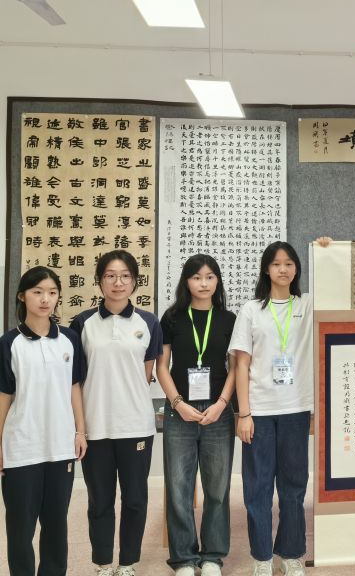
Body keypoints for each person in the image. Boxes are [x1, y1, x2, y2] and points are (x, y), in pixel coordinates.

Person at [70, 250, 163, 576]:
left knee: (135, 499)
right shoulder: (82, 323)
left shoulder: (149, 322)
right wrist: (80, 428)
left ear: (135, 281)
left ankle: (127, 563)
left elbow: (147, 372)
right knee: (100, 501)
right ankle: (103, 563)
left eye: (125, 276)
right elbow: (76, 381)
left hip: (136, 425)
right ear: (100, 281)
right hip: (96, 427)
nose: (118, 282)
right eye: (110, 275)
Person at [229, 241, 314, 576]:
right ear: (266, 269)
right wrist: (244, 413)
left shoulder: (308, 305)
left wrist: (326, 249)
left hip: (296, 408)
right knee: (258, 488)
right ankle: (262, 557)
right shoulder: (251, 310)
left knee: (294, 487)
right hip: (259, 411)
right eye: (277, 264)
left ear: (297, 269)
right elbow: (241, 364)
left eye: (289, 263)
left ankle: (291, 555)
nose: (283, 269)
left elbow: (343, 291)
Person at [0, 266, 87, 576]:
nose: (45, 299)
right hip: (21, 448)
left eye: (52, 292)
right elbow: (4, 397)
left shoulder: (69, 339)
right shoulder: (9, 343)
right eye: (37, 292)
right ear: (22, 296)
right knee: (20, 528)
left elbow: (75, 387)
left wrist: (80, 431)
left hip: (60, 446)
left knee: (56, 524)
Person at [156, 255, 237, 576]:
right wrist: (177, 403)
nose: (204, 283)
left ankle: (213, 556)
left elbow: (236, 367)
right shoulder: (172, 318)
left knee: (217, 488)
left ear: (218, 281)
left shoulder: (229, 319)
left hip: (219, 412)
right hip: (180, 412)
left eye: (210, 277)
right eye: (196, 277)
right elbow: (162, 367)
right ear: (186, 281)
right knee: (179, 488)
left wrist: (222, 403)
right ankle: (184, 559)